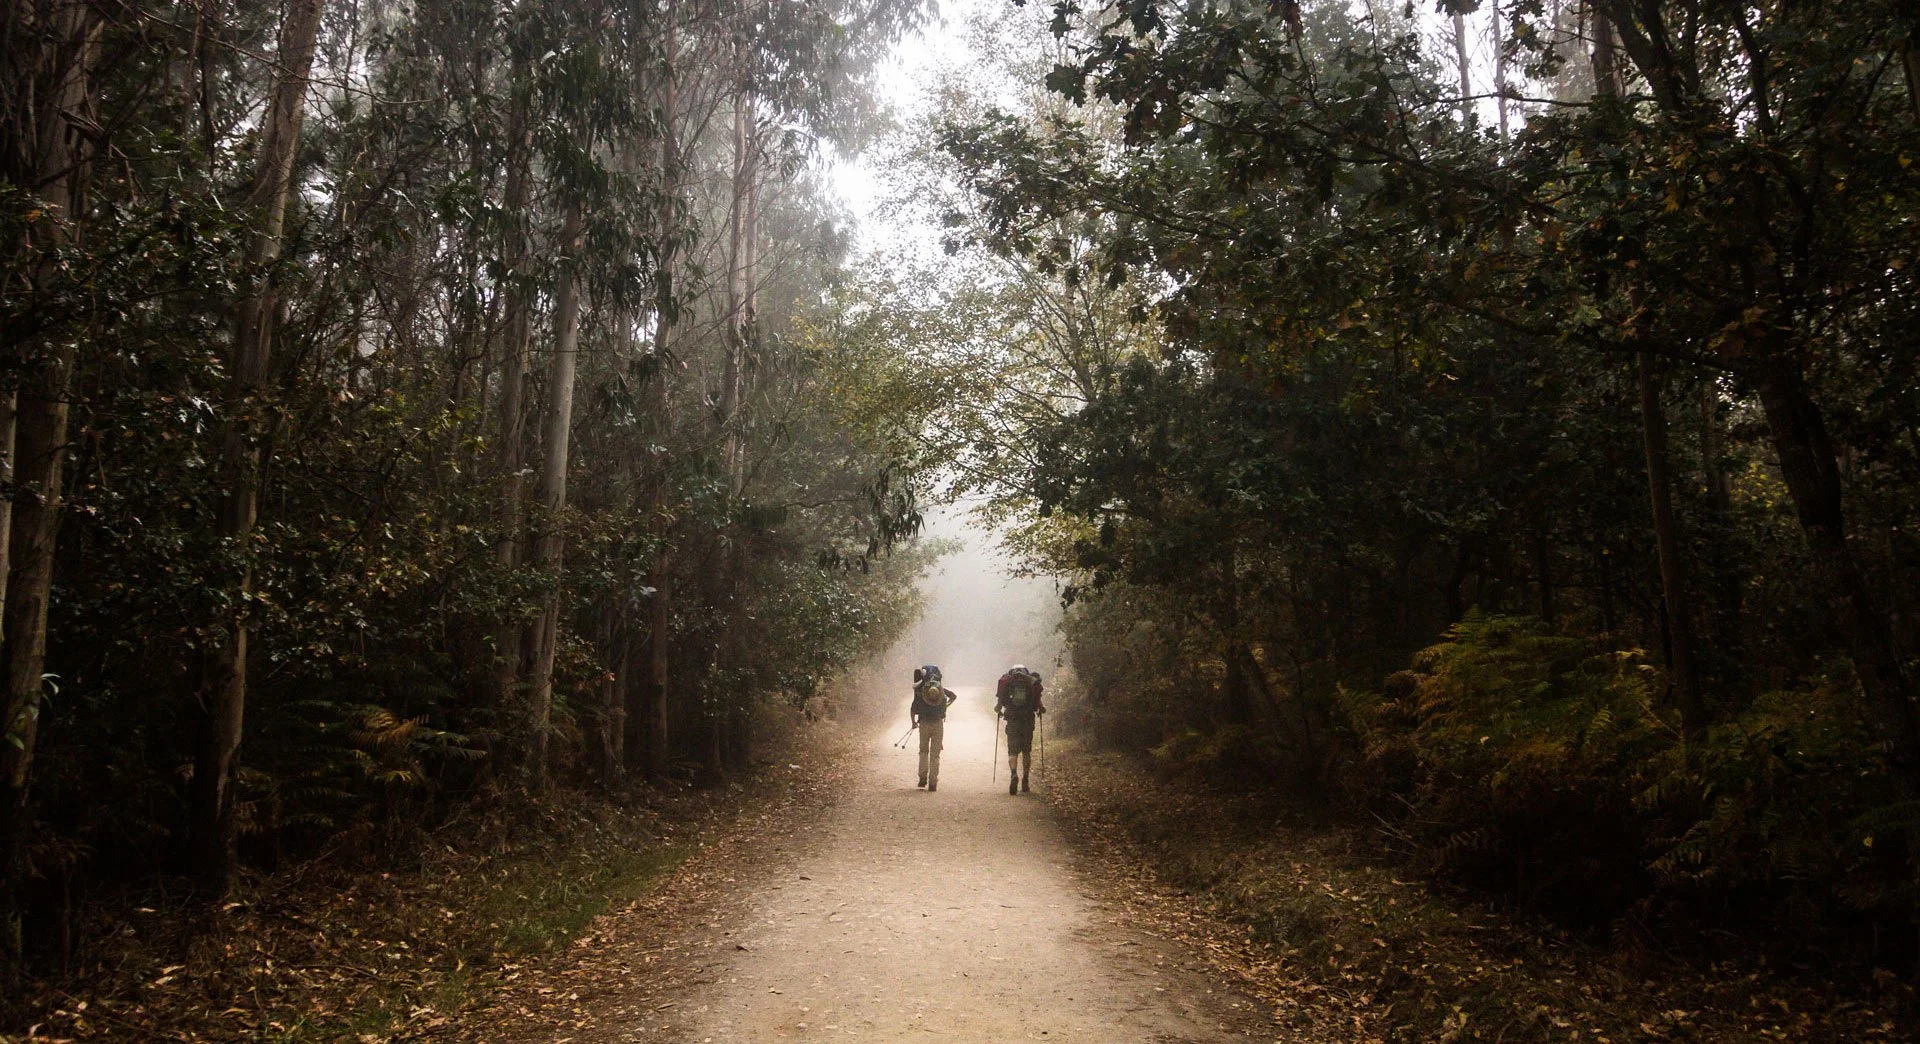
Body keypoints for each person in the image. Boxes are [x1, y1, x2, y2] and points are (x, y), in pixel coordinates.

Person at [994, 665, 1045, 795]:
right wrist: (1040, 710)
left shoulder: (1008, 683)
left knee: (1013, 751)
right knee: (1026, 751)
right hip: (1027, 720)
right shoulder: (1030, 683)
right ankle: (1025, 780)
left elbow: (997, 707)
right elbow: (1040, 706)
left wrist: (999, 710)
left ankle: (1013, 774)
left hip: (1012, 720)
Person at [910, 665, 957, 791]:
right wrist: (946, 705)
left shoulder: (920, 691)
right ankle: (933, 783)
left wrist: (913, 723)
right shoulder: (940, 690)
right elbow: (954, 696)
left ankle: (922, 777)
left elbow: (913, 709)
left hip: (924, 724)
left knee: (923, 751)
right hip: (938, 724)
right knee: (935, 755)